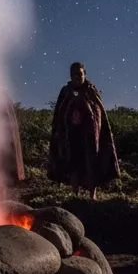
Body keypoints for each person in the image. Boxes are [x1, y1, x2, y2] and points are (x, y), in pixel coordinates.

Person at [48, 62, 120, 199]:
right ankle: (75, 193)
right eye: (74, 74)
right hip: (71, 134)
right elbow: (60, 112)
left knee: (92, 162)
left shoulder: (91, 90)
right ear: (70, 76)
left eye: (80, 74)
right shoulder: (66, 91)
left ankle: (92, 195)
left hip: (91, 134)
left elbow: (98, 112)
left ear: (84, 74)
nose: (77, 77)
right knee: (73, 163)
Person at [0, 74, 25, 189]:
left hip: (5, 139)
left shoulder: (3, 98)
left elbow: (9, 121)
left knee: (5, 167)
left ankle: (5, 190)